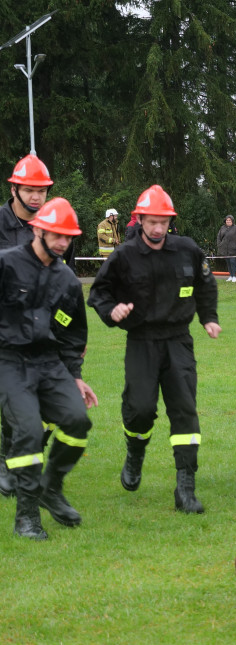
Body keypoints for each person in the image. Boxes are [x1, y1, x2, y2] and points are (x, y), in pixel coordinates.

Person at [88, 185, 220, 514]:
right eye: (151, 222)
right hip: (141, 341)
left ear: (170, 221)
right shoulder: (124, 255)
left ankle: (185, 487)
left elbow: (206, 285)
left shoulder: (187, 249)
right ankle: (135, 454)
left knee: (185, 409)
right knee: (140, 408)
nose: (157, 228)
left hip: (178, 340)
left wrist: (209, 318)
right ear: (141, 220)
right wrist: (111, 310)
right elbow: (99, 292)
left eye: (163, 222)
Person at [0, 198, 97, 539]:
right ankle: (26, 516)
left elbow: (72, 335)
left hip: (50, 363)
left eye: (68, 238)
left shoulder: (67, 279)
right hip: (9, 361)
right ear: (38, 229)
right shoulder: (6, 264)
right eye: (57, 235)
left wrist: (76, 376)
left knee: (77, 420)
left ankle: (50, 487)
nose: (62, 243)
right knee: (27, 430)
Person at [0, 154, 54, 500]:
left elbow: (62, 276)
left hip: (40, 329)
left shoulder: (52, 224)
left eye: (42, 191)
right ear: (15, 189)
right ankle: (7, 461)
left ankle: (15, 460)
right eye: (30, 190)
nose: (36, 197)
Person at [217, 214, 236, 282]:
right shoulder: (222, 228)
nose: (228, 221)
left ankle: (234, 276)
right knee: (228, 263)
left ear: (232, 221)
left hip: (233, 249)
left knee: (232, 262)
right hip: (225, 249)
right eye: (227, 220)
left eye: (229, 220)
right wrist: (219, 245)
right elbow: (218, 237)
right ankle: (231, 276)